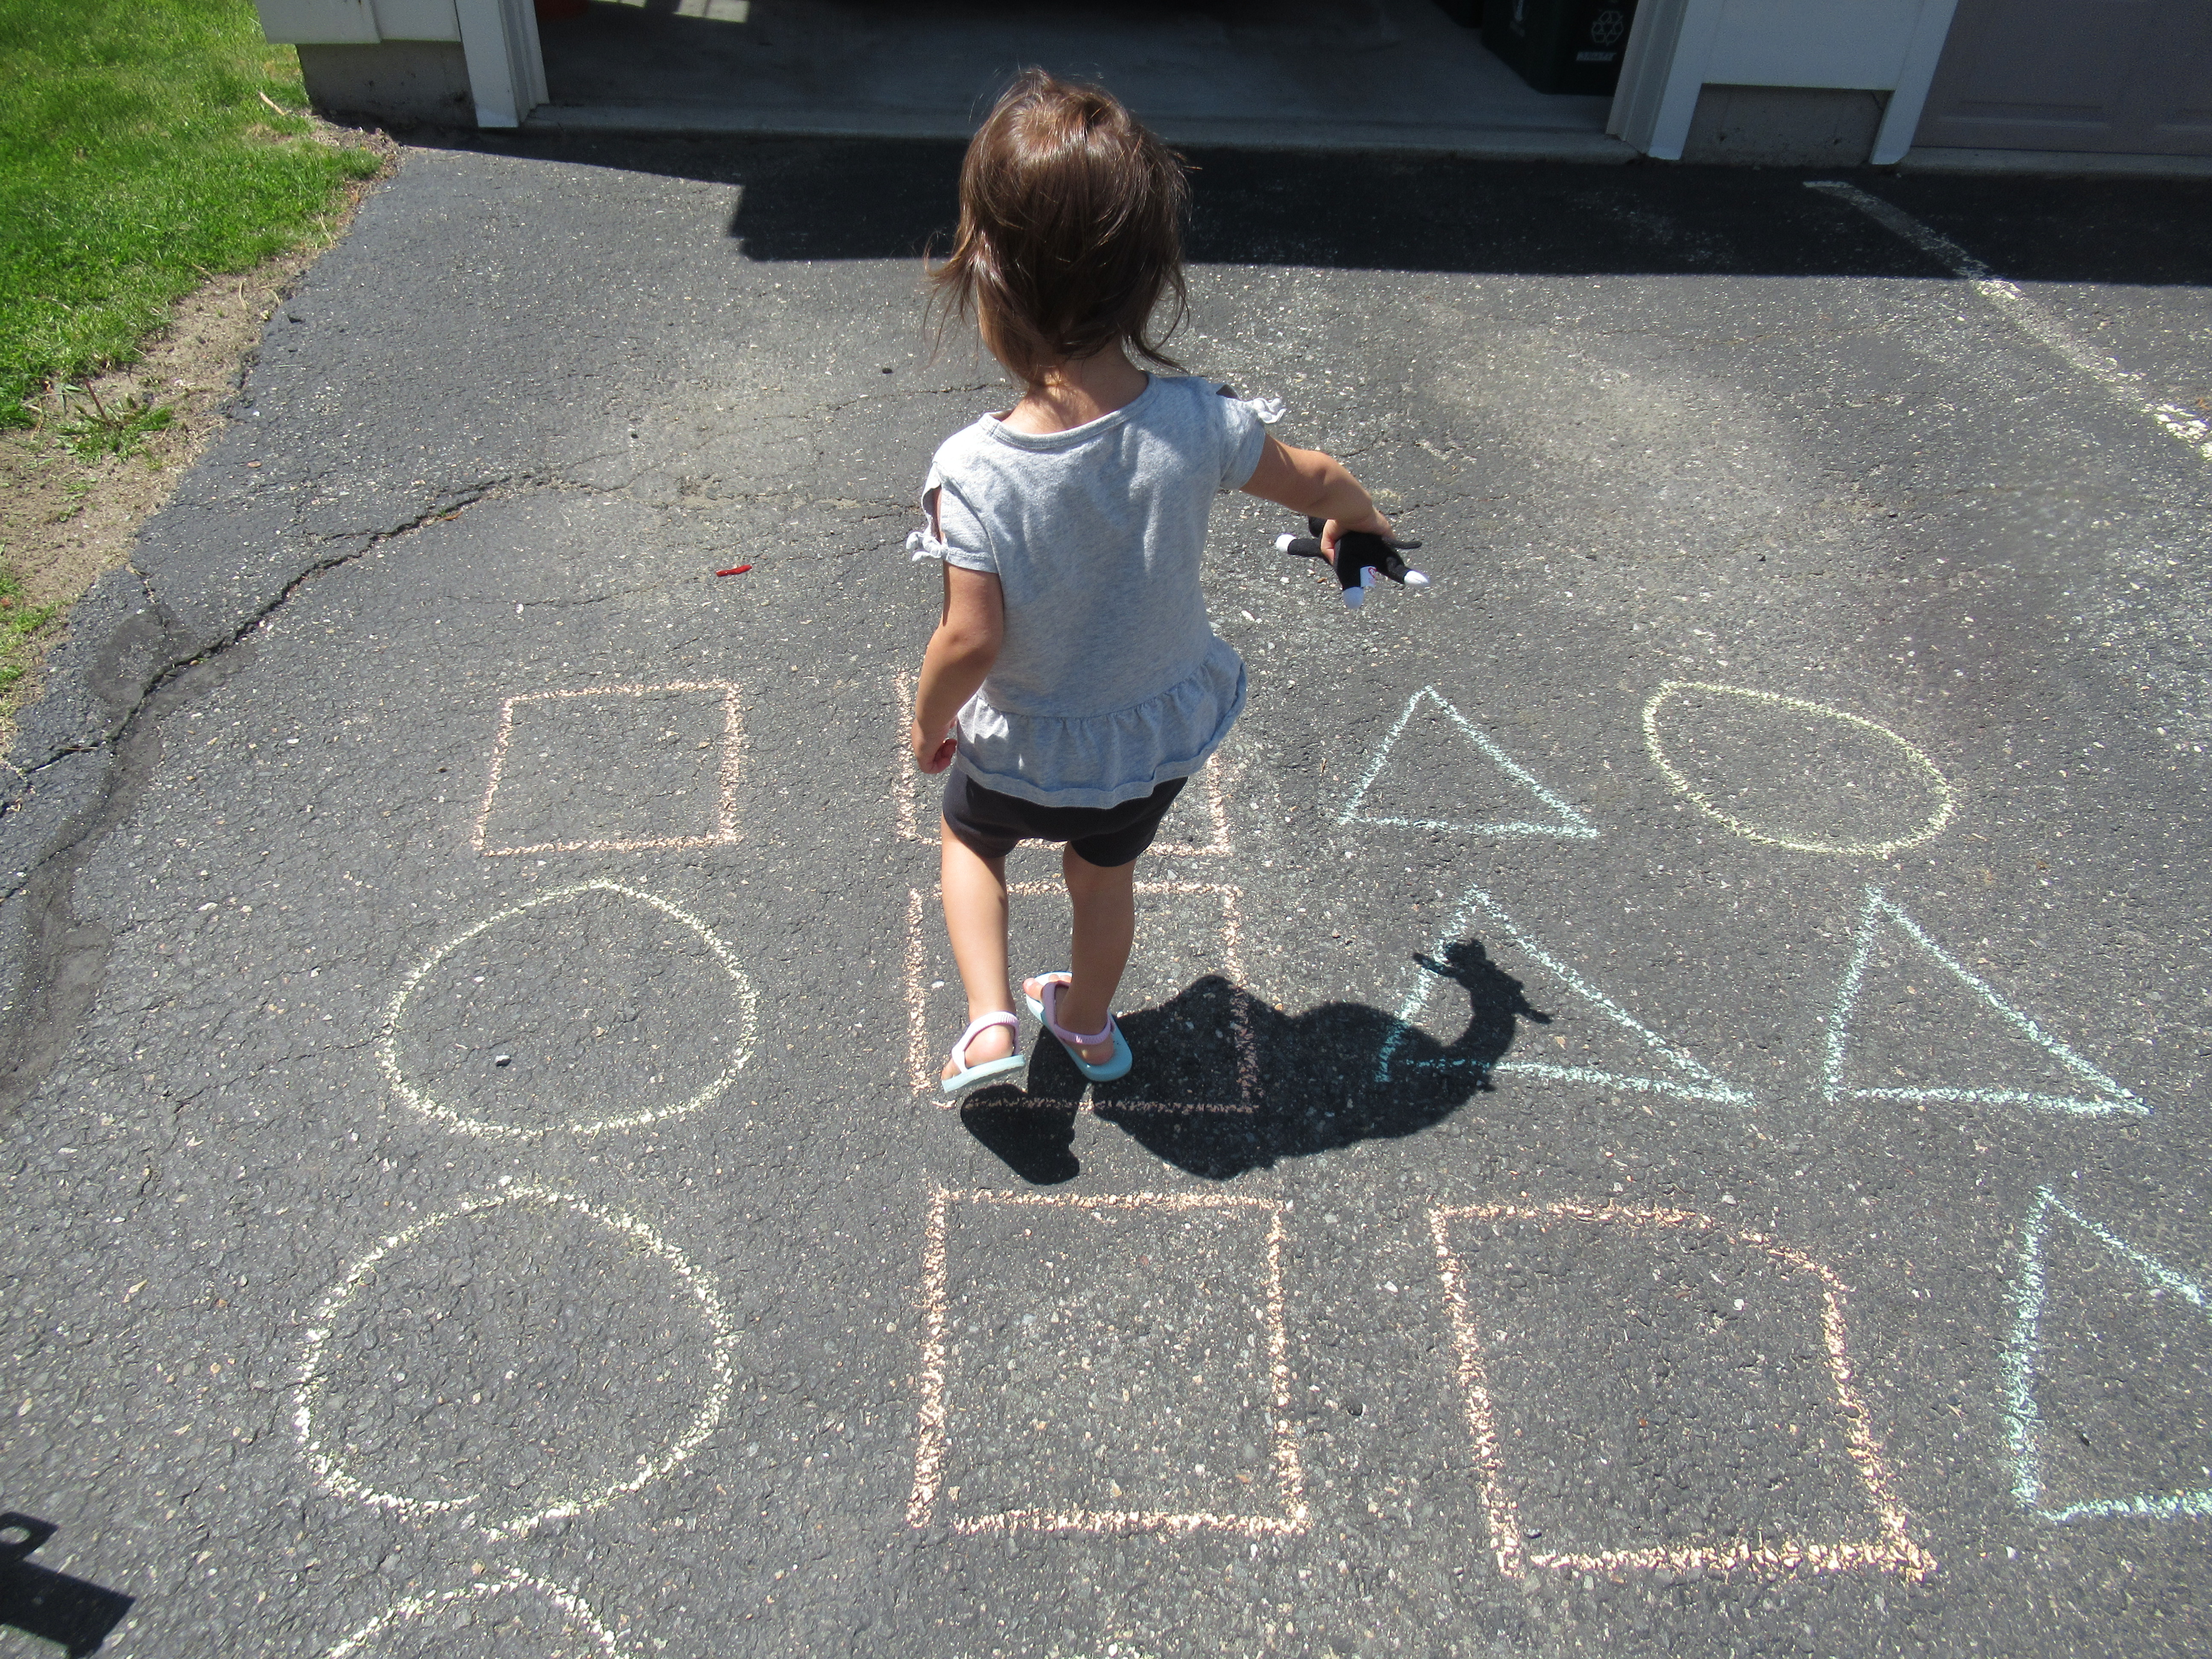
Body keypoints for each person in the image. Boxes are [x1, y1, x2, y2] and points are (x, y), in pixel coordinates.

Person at [908, 68, 1396, 1098]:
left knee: (969, 838)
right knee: (1102, 874)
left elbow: (970, 641)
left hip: (1029, 737)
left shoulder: (975, 471)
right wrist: (1359, 520)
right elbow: (1312, 478)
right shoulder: (1196, 421)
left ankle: (993, 1026)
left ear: (986, 276)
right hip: (1148, 732)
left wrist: (927, 724)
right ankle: (1084, 1023)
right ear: (1146, 277)